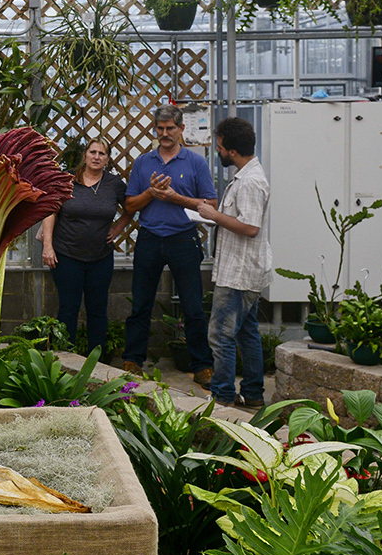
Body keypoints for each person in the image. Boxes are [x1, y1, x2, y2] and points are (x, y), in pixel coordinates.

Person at [122, 105, 217, 385]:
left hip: (183, 239)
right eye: (160, 128)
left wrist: (175, 197)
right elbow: (129, 205)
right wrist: (151, 193)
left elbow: (210, 205)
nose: (164, 134)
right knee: (140, 303)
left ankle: (201, 365)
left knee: (193, 306)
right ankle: (132, 359)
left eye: (170, 128)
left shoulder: (195, 162)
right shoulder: (143, 162)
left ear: (181, 129)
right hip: (149, 237)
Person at [196, 117, 271, 409]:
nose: (218, 150)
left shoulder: (250, 182)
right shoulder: (245, 175)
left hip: (239, 275)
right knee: (246, 332)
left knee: (220, 335)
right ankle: (253, 394)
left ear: (232, 151)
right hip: (241, 270)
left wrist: (214, 216)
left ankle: (223, 396)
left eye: (220, 147)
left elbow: (250, 227)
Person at [38, 139, 133, 356]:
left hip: (100, 257)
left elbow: (130, 209)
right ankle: (64, 359)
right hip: (66, 256)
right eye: (93, 152)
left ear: (108, 159)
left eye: (102, 153)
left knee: (98, 311)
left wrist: (117, 230)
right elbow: (50, 211)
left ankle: (96, 361)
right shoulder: (67, 180)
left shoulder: (114, 184)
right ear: (85, 155)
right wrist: (48, 247)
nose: (96, 156)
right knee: (68, 310)